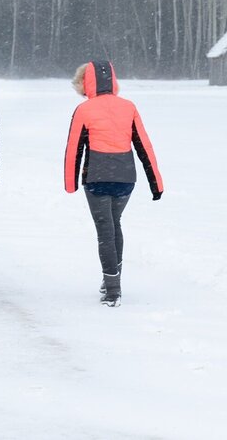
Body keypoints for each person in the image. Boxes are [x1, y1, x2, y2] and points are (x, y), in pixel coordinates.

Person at [64, 61, 163, 307]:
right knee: (114, 223)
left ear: (84, 83)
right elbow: (144, 146)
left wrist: (70, 183)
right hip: (125, 178)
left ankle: (112, 290)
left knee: (105, 230)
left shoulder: (84, 110)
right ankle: (113, 278)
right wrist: (155, 183)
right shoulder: (128, 107)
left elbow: (73, 149)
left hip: (96, 177)